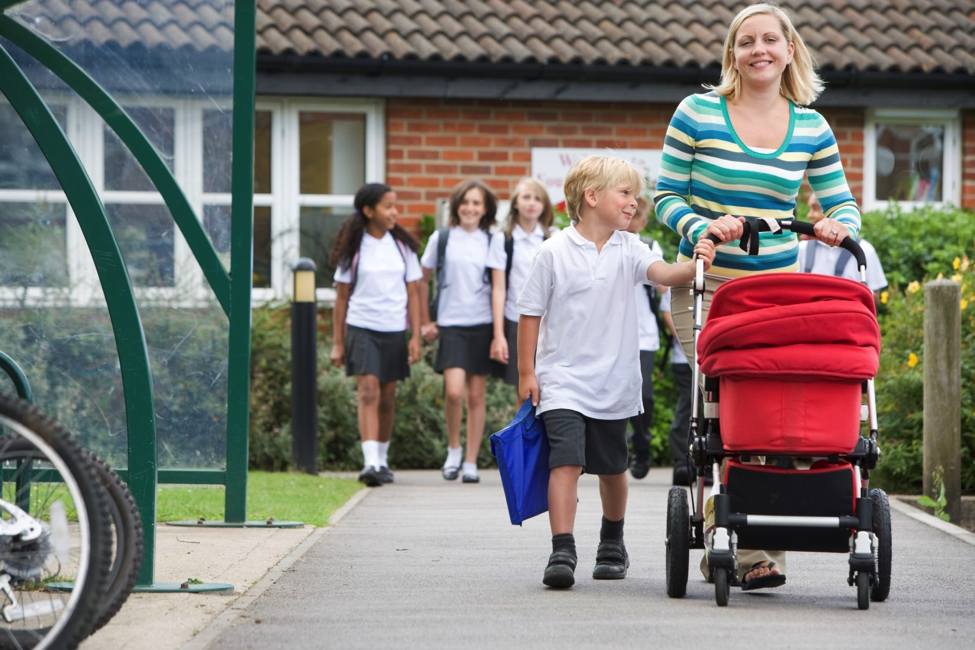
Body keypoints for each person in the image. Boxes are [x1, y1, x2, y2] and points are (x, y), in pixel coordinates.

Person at [653, 2, 862, 591]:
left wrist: (838, 226)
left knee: (772, 413)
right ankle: (745, 552)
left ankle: (758, 543)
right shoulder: (697, 112)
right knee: (727, 412)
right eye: (747, 42)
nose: (759, 50)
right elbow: (665, 194)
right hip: (710, 288)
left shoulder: (811, 127)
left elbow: (841, 202)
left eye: (771, 40)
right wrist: (702, 226)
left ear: (790, 50)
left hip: (775, 293)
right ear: (732, 54)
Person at [517, 155, 716, 589]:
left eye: (635, 195)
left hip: (614, 383)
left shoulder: (631, 248)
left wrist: (696, 261)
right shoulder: (553, 251)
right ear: (592, 197)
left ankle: (612, 541)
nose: (633, 203)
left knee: (612, 468)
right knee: (565, 462)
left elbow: (663, 273)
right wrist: (526, 373)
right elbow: (530, 314)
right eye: (625, 194)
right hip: (563, 381)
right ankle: (562, 548)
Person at [330, 183, 424, 487]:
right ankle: (369, 462)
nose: (394, 212)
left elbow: (414, 293)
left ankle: (382, 460)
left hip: (395, 329)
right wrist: (336, 342)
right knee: (368, 390)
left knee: (387, 396)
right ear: (369, 211)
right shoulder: (353, 249)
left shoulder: (402, 248)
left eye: (395, 206)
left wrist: (415, 336)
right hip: (361, 327)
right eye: (387, 206)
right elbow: (341, 298)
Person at [419, 179, 498, 484]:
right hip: (451, 323)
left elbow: (500, 286)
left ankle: (470, 462)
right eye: (465, 202)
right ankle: (453, 450)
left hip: (482, 324)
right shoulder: (441, 239)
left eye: (476, 203)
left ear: (485, 209)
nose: (470, 208)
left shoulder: (492, 241)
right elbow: (421, 279)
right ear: (456, 206)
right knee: (454, 392)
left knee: (476, 396)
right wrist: (426, 320)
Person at [487, 177, 556, 398]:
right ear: (515, 203)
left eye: (537, 198)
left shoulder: (553, 238)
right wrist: (499, 335)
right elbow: (498, 289)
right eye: (526, 197)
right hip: (517, 321)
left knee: (550, 389)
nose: (531, 203)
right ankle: (525, 435)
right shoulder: (503, 240)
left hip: (551, 324)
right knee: (525, 393)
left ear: (544, 205)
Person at [623, 196, 665, 480]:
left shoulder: (648, 246)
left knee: (644, 394)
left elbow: (662, 284)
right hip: (613, 334)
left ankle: (641, 444)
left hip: (644, 334)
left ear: (643, 221)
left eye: (635, 214)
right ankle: (617, 447)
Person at [798, 191, 888, 302]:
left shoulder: (864, 250)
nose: (809, 215)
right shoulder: (802, 248)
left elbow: (874, 298)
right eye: (809, 208)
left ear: (834, 212)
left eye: (815, 208)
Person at [659, 288, 695, 486]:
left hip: (712, 354)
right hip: (684, 357)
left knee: (711, 407)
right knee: (689, 403)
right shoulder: (679, 269)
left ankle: (703, 462)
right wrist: (687, 342)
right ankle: (682, 460)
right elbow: (666, 310)